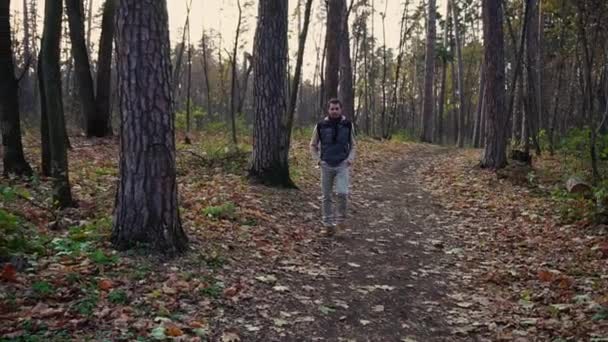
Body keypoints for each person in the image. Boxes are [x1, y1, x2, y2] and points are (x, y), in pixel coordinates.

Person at [309, 98, 356, 236]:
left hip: (342, 164)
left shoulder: (348, 125)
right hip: (326, 164)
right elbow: (312, 145)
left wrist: (350, 159)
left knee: (342, 193)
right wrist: (318, 160)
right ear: (328, 110)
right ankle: (328, 226)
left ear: (341, 109)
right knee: (326, 196)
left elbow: (353, 144)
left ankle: (341, 221)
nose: (334, 111)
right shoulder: (320, 126)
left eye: (337, 109)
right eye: (332, 109)